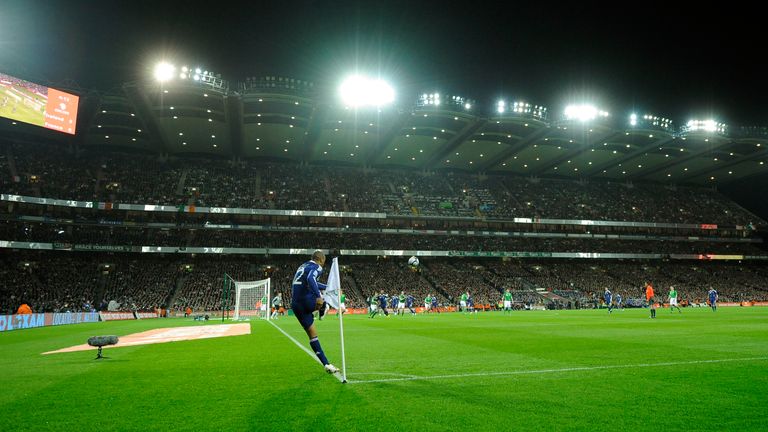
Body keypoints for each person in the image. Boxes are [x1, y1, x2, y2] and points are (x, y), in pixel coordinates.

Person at [291, 250, 339, 374]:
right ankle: (323, 307)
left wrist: (328, 287)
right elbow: (310, 278)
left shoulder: (303, 266)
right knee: (325, 298)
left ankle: (326, 364)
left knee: (313, 336)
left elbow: (311, 281)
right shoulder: (317, 266)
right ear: (321, 259)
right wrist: (318, 296)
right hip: (306, 301)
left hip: (296, 305)